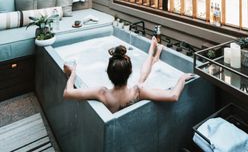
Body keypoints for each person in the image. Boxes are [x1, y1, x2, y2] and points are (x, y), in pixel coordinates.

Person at [63, 36, 194, 113]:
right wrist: (182, 78)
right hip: (132, 94)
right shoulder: (137, 92)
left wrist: (73, 72)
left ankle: (154, 56)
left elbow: (67, 93)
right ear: (130, 72)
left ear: (108, 74)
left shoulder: (102, 93)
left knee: (141, 81)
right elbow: (173, 96)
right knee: (141, 81)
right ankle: (153, 56)